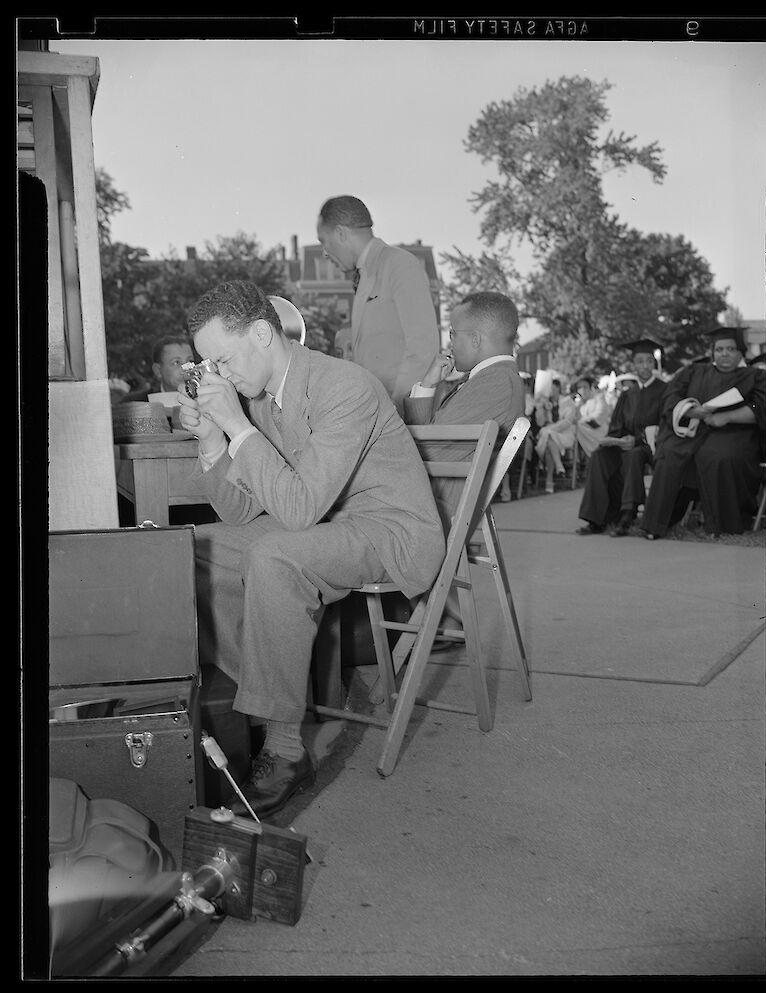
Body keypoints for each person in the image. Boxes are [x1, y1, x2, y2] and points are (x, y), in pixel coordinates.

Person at [175, 280, 445, 816]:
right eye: (208, 368)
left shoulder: (343, 385)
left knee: (274, 557)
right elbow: (239, 512)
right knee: (192, 549)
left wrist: (233, 424)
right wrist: (212, 439)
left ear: (261, 333)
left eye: (222, 362)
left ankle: (284, 746)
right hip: (326, 523)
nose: (218, 378)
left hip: (390, 529)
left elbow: (295, 513)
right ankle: (273, 696)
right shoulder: (263, 400)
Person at [403, 291, 525, 522]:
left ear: (476, 339)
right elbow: (431, 443)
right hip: (429, 502)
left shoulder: (496, 383)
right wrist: (428, 385)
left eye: (453, 334)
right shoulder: (491, 380)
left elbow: (426, 451)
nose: (450, 343)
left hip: (429, 510)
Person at [316, 195, 440, 412]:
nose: (324, 252)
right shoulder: (365, 275)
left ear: (341, 233)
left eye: (323, 241)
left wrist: (399, 409)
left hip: (400, 418)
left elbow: (423, 347)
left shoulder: (400, 264)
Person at [639, 327, 766, 538]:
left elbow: (761, 407)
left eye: (730, 349)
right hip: (694, 430)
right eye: (719, 349)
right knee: (669, 453)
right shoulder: (695, 371)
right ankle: (657, 523)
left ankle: (721, 523)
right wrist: (690, 410)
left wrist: (726, 417)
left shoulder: (755, 376)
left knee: (718, 456)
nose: (724, 353)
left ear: (740, 352)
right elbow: (670, 396)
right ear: (713, 352)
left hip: (735, 433)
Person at [576, 339, 667, 536]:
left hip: (650, 446)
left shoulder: (664, 390)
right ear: (633, 364)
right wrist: (615, 440)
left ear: (654, 364)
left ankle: (628, 513)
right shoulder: (628, 394)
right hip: (625, 443)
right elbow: (617, 426)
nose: (644, 366)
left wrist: (637, 440)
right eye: (640, 361)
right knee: (600, 456)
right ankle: (597, 519)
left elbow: (665, 425)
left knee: (633, 454)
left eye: (648, 361)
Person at [533, 374, 580, 494]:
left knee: (548, 435)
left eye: (553, 389)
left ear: (558, 388)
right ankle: (558, 467)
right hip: (548, 436)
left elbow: (567, 421)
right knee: (549, 438)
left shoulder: (567, 401)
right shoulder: (545, 402)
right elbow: (540, 422)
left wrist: (551, 429)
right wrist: (540, 408)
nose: (551, 391)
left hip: (564, 434)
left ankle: (550, 479)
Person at [574, 375, 615, 459]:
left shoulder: (599, 398)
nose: (582, 390)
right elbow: (574, 418)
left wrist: (582, 421)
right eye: (579, 387)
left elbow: (599, 415)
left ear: (590, 387)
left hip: (597, 431)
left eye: (585, 387)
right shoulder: (578, 404)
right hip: (582, 432)